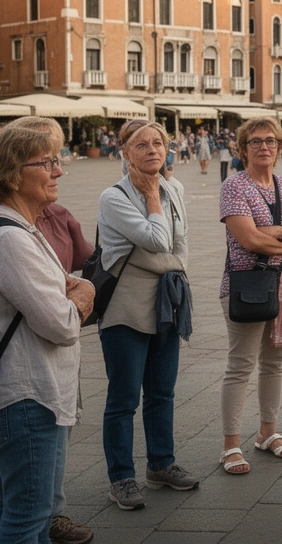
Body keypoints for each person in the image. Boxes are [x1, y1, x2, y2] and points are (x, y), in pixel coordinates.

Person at [0, 127, 95, 543]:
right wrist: (84, 294)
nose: (58, 171)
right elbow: (61, 324)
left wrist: (73, 290)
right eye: (46, 163)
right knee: (27, 518)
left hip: (26, 396)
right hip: (26, 399)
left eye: (57, 160)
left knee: (13, 510)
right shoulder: (9, 240)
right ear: (11, 176)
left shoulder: (14, 229)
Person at [97, 119, 198, 510]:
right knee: (123, 399)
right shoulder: (114, 197)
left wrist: (170, 263)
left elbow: (181, 247)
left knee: (162, 392)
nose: (153, 150)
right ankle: (121, 477)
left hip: (165, 304)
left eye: (159, 143)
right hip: (126, 306)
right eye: (142, 145)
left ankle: (161, 464)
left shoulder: (175, 189)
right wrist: (153, 195)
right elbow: (158, 239)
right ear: (125, 152)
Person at [218, 117, 282, 473]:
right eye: (255, 141)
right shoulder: (234, 186)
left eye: (271, 140)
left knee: (274, 363)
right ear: (243, 148)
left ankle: (266, 432)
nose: (264, 147)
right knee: (241, 365)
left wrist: (278, 231)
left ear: (279, 147)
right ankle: (230, 445)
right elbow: (249, 239)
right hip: (246, 285)